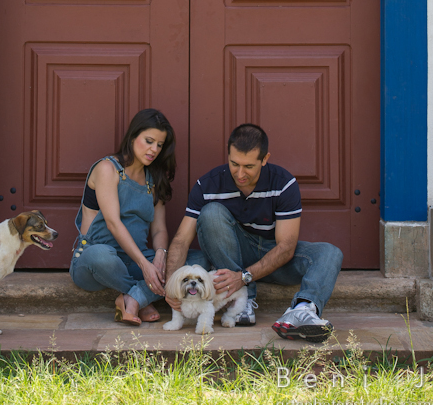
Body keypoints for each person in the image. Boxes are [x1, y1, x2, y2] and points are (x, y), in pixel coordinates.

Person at [165, 123, 343, 342]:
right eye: (234, 164)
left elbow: (286, 247)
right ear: (228, 155)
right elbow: (182, 240)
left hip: (275, 257)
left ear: (265, 159)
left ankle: (303, 310)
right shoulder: (207, 185)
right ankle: (243, 300)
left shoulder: (284, 183)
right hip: (232, 255)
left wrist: (244, 277)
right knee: (210, 214)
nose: (240, 173)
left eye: (248, 166)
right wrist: (170, 286)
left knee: (330, 253)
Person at [70, 108, 180, 325]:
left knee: (191, 261)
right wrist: (145, 266)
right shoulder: (107, 168)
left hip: (134, 261)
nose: (154, 149)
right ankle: (141, 297)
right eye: (149, 141)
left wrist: (161, 254)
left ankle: (134, 299)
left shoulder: (154, 178)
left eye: (159, 145)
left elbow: (159, 229)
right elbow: (113, 223)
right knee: (100, 255)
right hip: (95, 262)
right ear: (132, 136)